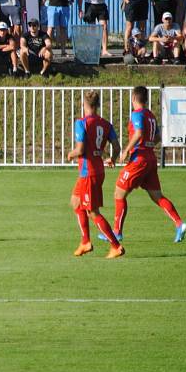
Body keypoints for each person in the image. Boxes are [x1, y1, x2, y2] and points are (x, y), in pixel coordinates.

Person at [107, 86, 186, 244]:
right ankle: (179, 224)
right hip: (150, 157)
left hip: (140, 159)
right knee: (157, 196)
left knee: (119, 193)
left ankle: (117, 232)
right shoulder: (150, 115)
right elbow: (157, 136)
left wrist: (126, 151)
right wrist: (148, 144)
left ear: (134, 98)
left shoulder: (137, 114)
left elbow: (138, 133)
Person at [68, 90, 124, 259]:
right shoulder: (106, 124)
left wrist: (70, 154)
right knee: (75, 202)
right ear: (97, 105)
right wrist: (112, 159)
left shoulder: (82, 123)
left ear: (84, 105)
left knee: (93, 212)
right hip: (98, 169)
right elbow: (117, 146)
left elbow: (80, 149)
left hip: (88, 172)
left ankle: (116, 246)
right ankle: (85, 241)